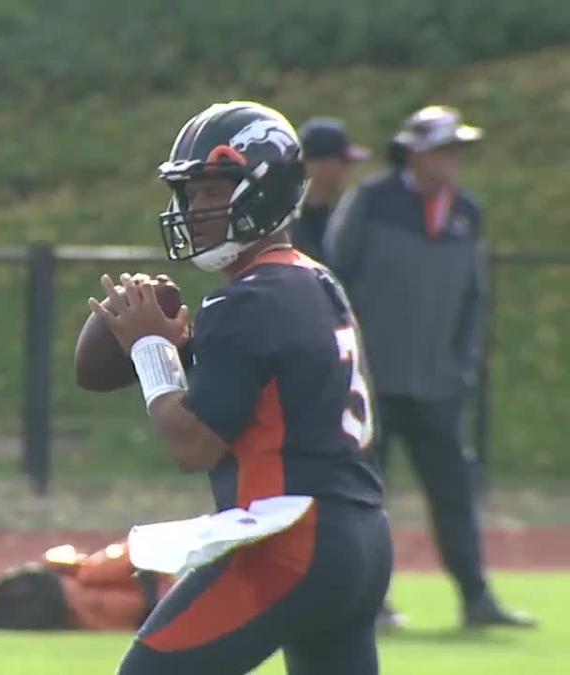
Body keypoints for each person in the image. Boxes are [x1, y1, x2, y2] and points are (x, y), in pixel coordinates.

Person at [91, 101, 391, 674]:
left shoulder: (246, 297)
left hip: (290, 540)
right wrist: (183, 349)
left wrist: (150, 349)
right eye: (190, 194)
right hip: (362, 540)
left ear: (265, 189)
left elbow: (194, 445)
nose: (195, 210)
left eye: (210, 192)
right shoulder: (312, 280)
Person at [324, 105, 533, 630]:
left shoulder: (467, 211)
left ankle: (477, 599)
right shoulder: (371, 202)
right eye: (444, 148)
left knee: (455, 494)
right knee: (364, 498)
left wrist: (461, 365)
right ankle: (371, 601)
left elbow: (472, 298)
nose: (453, 159)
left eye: (457, 149)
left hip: (437, 385)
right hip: (372, 382)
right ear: (415, 152)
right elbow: (334, 283)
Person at [290, 117, 370, 262]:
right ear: (323, 165)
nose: (348, 170)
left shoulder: (330, 214)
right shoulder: (286, 223)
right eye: (345, 162)